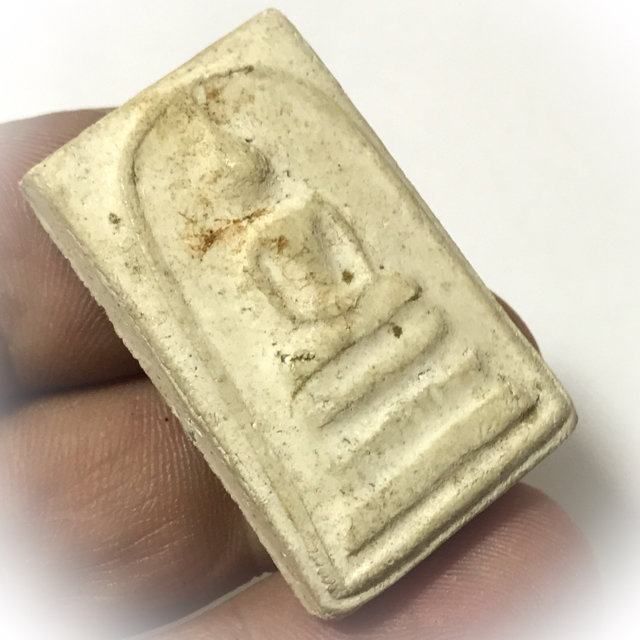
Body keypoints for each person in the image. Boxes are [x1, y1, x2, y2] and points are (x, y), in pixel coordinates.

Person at [0, 111, 596, 639]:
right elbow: (293, 309)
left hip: (367, 312)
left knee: (408, 304)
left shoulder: (306, 207)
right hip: (322, 339)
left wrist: (360, 303)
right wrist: (329, 324)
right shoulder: (253, 244)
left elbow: (360, 270)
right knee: (299, 387)